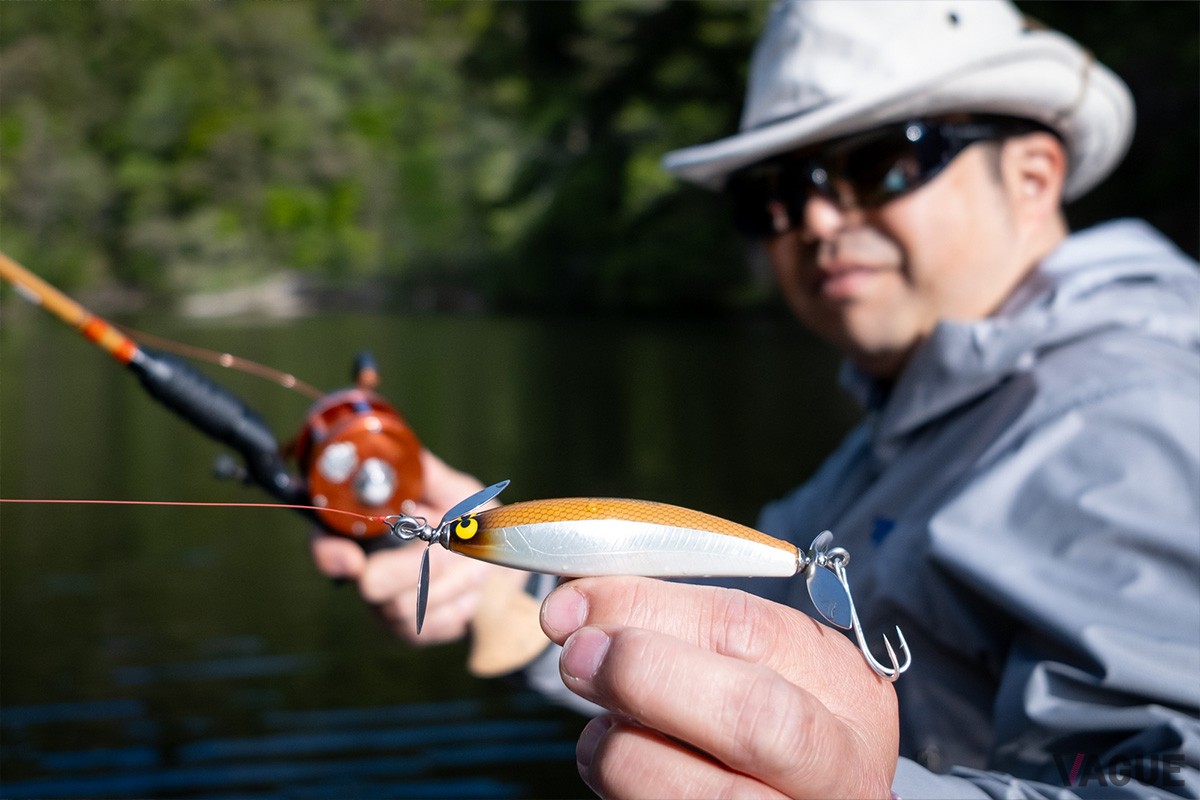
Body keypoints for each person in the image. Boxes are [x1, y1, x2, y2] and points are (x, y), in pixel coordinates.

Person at [312, 1, 1200, 797]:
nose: (813, 222)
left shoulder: (1130, 414)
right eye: (771, 197)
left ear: (1035, 176)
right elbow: (738, 613)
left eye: (879, 162)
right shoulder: (900, 431)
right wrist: (502, 585)